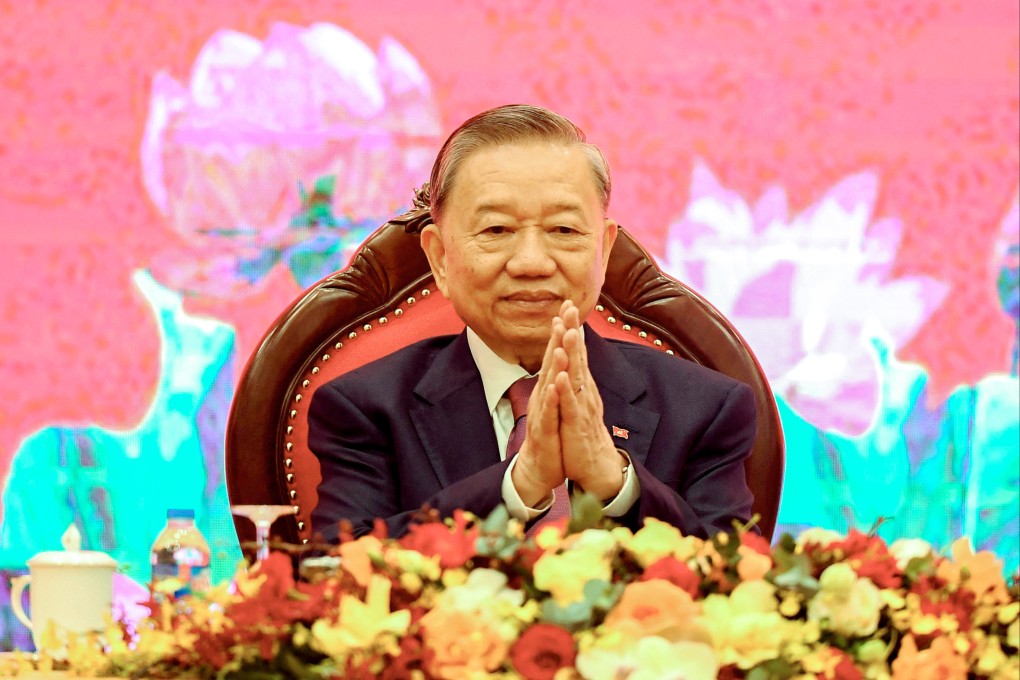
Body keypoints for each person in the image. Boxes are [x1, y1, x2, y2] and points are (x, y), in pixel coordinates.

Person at [309, 104, 756, 541]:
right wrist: (517, 487)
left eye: (563, 231)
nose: (531, 263)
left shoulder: (705, 409)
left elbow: (738, 586)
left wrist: (614, 482)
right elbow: (335, 576)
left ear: (602, 249)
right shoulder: (364, 410)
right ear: (440, 257)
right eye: (496, 231)